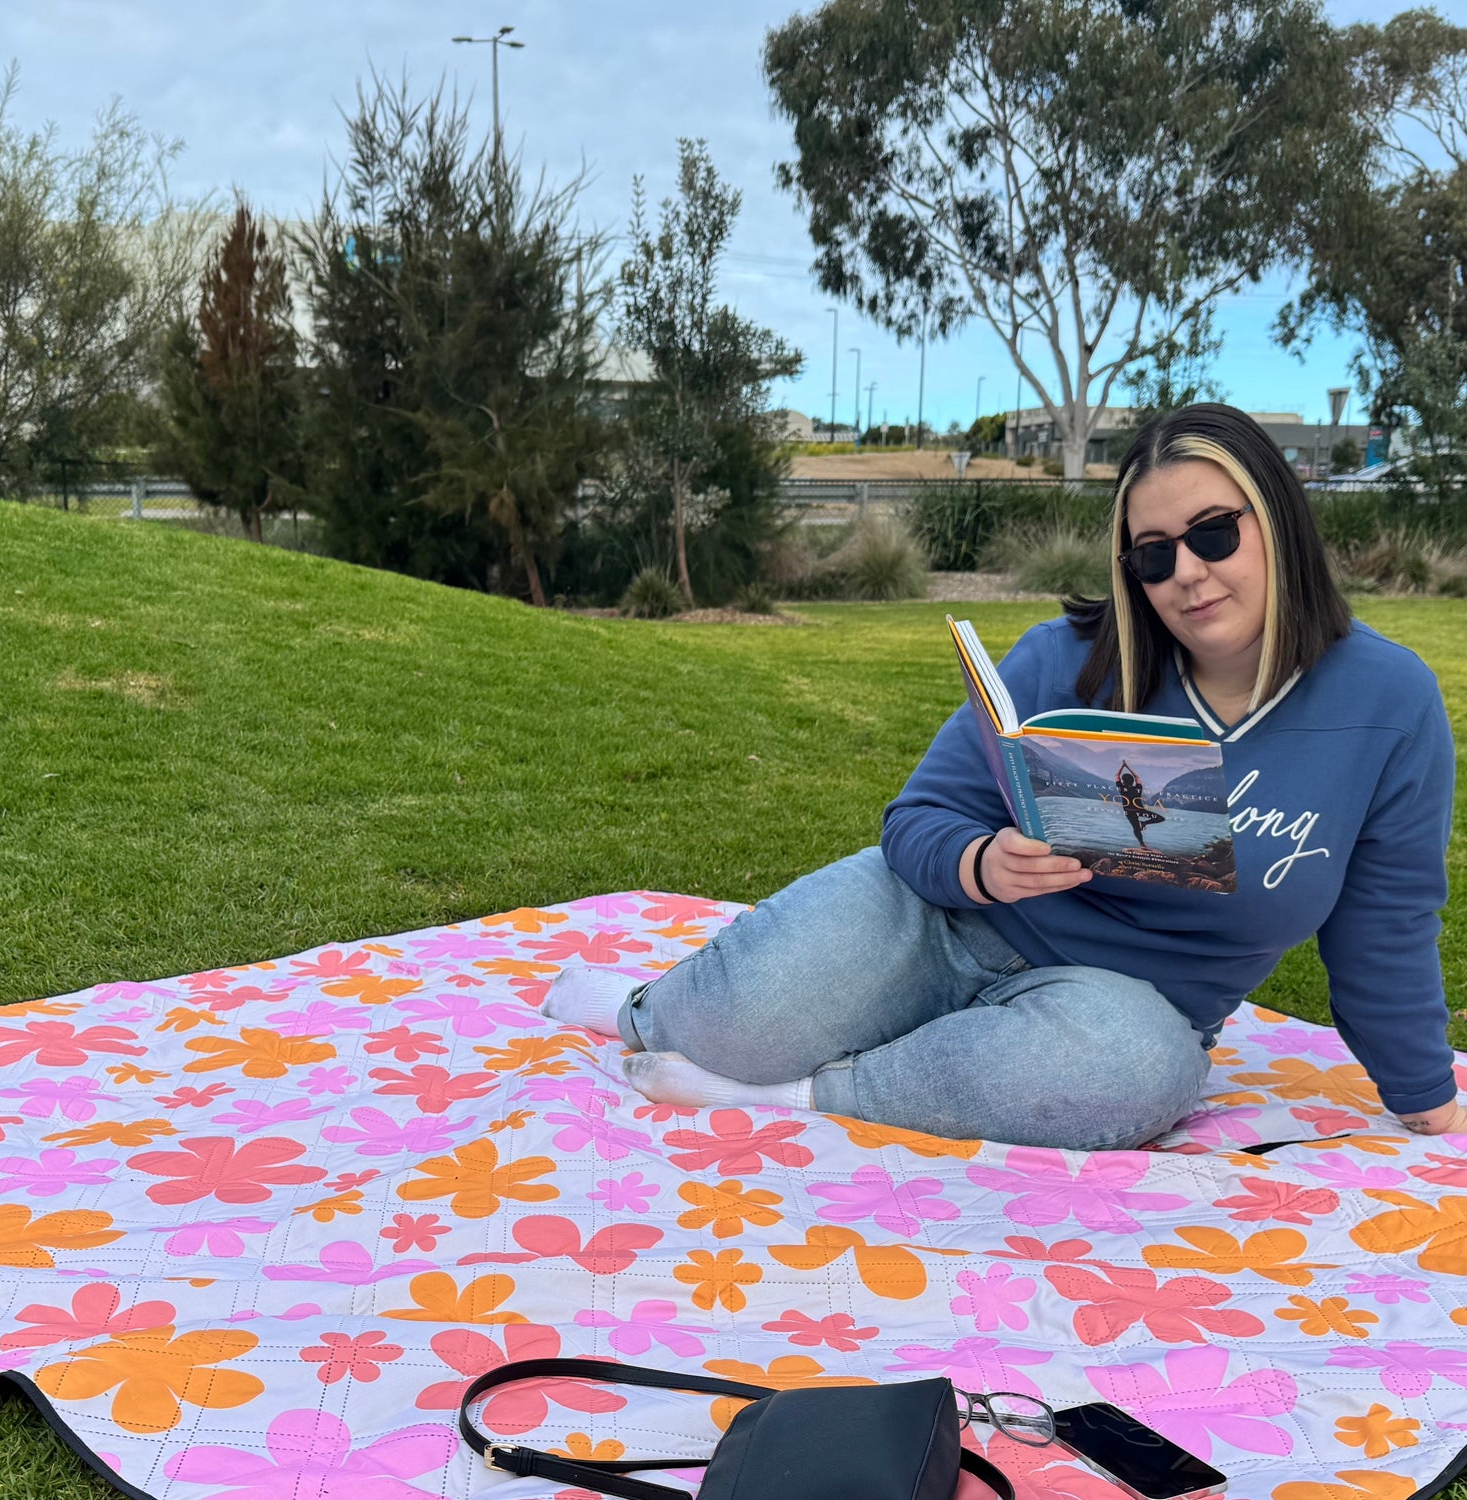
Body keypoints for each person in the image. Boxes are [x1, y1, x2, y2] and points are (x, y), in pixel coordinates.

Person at [545, 404, 1463, 1151]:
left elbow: (1385, 927)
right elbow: (920, 817)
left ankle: (802, 1095)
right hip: (947, 921)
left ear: (1281, 519)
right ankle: (645, 1014)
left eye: (1214, 534)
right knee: (724, 1021)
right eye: (1151, 554)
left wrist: (1427, 1100)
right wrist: (983, 864)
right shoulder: (1065, 661)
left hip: (1128, 1008)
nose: (1186, 573)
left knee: (1125, 1079)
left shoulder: (1390, 703)